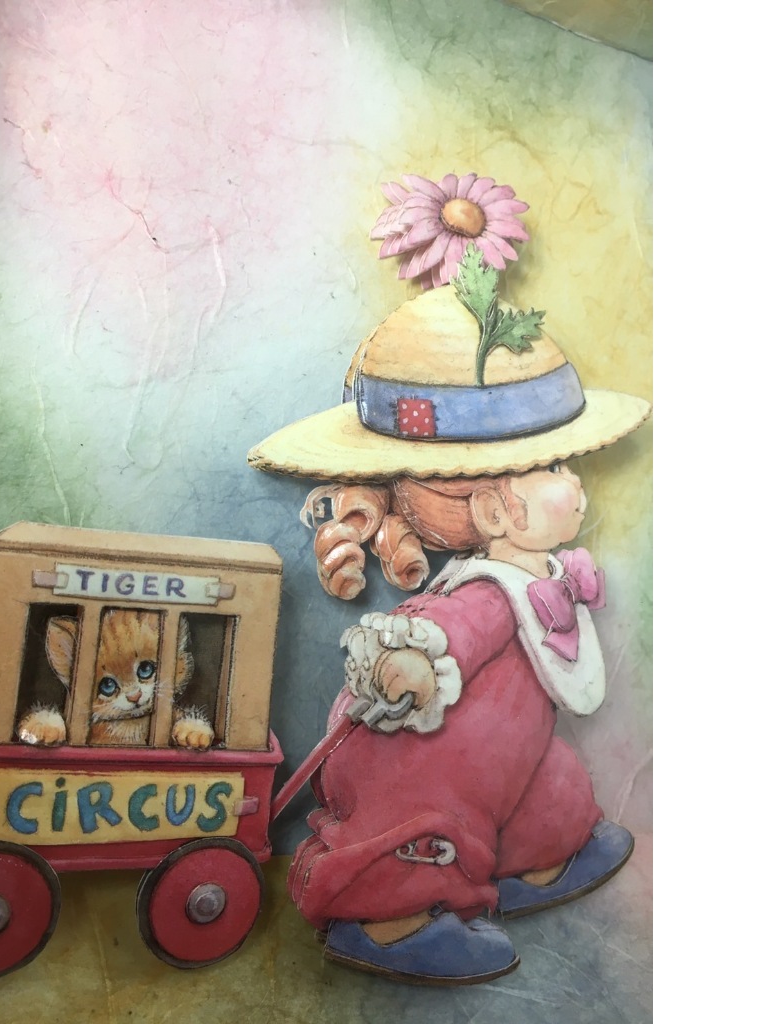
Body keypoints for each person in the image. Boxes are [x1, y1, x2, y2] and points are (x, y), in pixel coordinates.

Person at [248, 231, 651, 984]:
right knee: (431, 821)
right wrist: (407, 660)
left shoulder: (541, 571)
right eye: (554, 467)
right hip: (431, 763)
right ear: (496, 511)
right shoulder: (485, 592)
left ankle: (539, 859)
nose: (576, 482)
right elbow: (449, 630)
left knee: (547, 783)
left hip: (508, 757)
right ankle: (389, 922)